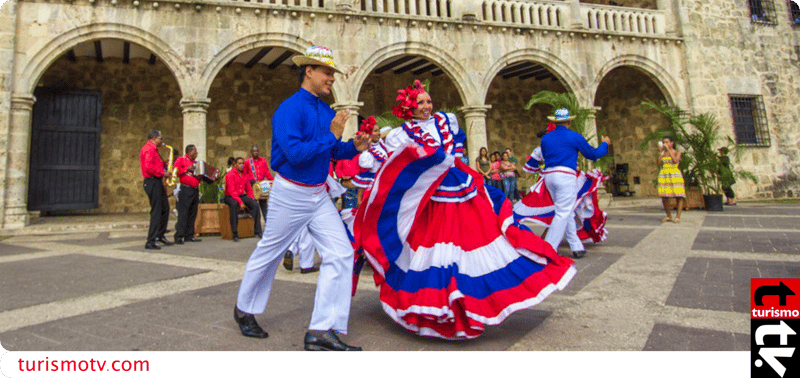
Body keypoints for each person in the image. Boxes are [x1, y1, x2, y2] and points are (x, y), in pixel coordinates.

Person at [354, 80, 576, 340]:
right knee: (435, 248)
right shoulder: (400, 134)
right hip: (431, 199)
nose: (427, 106)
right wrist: (366, 151)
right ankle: (439, 304)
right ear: (409, 108)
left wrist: (451, 160)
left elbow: (457, 144)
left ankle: (470, 299)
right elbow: (376, 158)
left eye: (428, 101)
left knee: (476, 238)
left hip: (460, 188)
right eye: (421, 103)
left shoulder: (446, 121)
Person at [233, 46, 370, 351]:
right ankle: (244, 309)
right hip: (290, 193)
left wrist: (354, 147)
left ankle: (321, 329)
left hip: (318, 194)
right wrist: (333, 135)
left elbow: (331, 152)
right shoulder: (289, 109)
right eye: (327, 72)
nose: (331, 78)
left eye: (332, 73)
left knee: (342, 253)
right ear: (308, 71)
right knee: (269, 252)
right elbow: (294, 154)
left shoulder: (324, 110)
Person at [540, 108, 611, 258]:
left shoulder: (546, 138)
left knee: (568, 211)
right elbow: (593, 154)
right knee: (563, 213)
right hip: (565, 176)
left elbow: (545, 156)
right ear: (569, 122)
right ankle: (548, 249)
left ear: (554, 122)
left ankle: (576, 246)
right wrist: (604, 145)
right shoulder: (574, 136)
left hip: (550, 176)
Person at [139, 130, 173, 250]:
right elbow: (149, 168)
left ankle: (160, 235)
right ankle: (150, 240)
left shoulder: (153, 149)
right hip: (152, 182)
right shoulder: (149, 149)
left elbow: (154, 165)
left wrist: (164, 163)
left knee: (165, 208)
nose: (161, 140)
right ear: (154, 138)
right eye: (160, 138)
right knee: (157, 211)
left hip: (156, 181)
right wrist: (164, 173)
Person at [223, 157, 262, 242]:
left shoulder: (245, 174)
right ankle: (235, 234)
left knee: (255, 205)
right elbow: (232, 191)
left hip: (241, 195)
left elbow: (248, 189)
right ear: (235, 164)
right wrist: (240, 202)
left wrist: (252, 199)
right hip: (230, 196)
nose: (241, 165)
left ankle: (257, 231)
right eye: (239, 163)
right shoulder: (230, 174)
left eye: (242, 163)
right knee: (234, 205)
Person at [173, 145, 203, 244]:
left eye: (196, 153)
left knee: (192, 213)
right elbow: (175, 171)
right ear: (189, 152)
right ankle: (179, 236)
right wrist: (186, 168)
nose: (196, 154)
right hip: (186, 190)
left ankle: (189, 235)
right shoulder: (181, 159)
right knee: (183, 214)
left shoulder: (196, 163)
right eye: (194, 152)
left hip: (195, 190)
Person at [657, 136, 685, 222]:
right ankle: (668, 215)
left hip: (674, 174)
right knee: (664, 196)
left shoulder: (677, 152)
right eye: (663, 142)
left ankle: (678, 217)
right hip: (665, 174)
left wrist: (669, 150)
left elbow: (675, 160)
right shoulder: (663, 153)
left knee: (679, 196)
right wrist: (660, 152)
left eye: (666, 142)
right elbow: (659, 163)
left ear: (671, 143)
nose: (665, 144)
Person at [243, 145, 274, 221]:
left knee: (264, 206)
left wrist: (272, 180)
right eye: (253, 151)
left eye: (256, 151)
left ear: (258, 151)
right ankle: (255, 226)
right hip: (252, 185)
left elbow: (267, 172)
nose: (255, 153)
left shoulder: (263, 160)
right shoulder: (247, 162)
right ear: (251, 152)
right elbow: (245, 174)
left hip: (262, 185)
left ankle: (267, 225)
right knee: (253, 206)